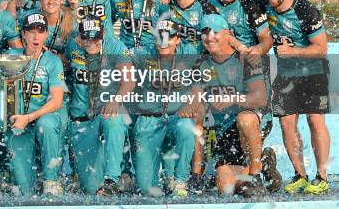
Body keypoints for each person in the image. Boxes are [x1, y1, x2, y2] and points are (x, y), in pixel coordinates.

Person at [261, 0, 330, 195]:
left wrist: (293, 51)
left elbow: (321, 48)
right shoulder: (264, 4)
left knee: (314, 120)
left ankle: (321, 176)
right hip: (286, 73)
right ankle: (300, 174)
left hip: (313, 70)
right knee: (286, 123)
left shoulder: (305, 10)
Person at [196, 14, 280, 197]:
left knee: (245, 118)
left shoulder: (246, 58)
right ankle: (262, 163)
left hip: (253, 120)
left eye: (216, 32)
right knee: (225, 186)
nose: (210, 37)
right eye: (205, 32)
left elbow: (260, 98)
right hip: (224, 125)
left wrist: (233, 99)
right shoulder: (201, 62)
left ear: (228, 34)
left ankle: (255, 176)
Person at [64, 17, 135, 195]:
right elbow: (62, 64)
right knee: (91, 188)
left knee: (114, 119)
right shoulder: (73, 45)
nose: (90, 42)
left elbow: (129, 81)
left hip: (106, 108)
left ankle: (113, 177)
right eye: (86, 37)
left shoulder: (115, 46)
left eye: (95, 38)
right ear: (80, 37)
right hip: (82, 116)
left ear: (102, 35)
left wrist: (115, 100)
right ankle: (94, 176)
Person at [131, 20, 199, 197]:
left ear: (178, 40)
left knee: (186, 127)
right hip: (149, 118)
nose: (163, 43)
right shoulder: (142, 53)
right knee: (147, 189)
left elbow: (201, 83)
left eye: (168, 38)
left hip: (177, 116)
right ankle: (163, 175)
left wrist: (192, 103)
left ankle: (180, 179)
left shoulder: (189, 52)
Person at [3, 13, 67, 195]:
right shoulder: (11, 56)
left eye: (40, 31)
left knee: (46, 125)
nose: (35, 37)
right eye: (31, 32)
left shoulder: (52, 61)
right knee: (24, 190)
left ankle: (51, 179)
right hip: (19, 121)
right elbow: (0, 89)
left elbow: (57, 100)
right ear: (23, 34)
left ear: (47, 34)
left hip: (42, 117)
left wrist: (29, 117)